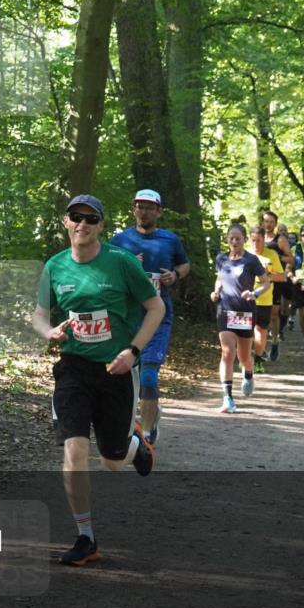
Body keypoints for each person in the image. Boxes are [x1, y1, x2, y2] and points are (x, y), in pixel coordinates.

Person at [33, 194, 164, 566]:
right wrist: (48, 332)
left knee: (112, 460)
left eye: (91, 219)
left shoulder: (120, 263)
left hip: (116, 369)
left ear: (101, 226)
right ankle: (85, 537)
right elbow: (39, 315)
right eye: (77, 217)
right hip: (73, 369)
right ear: (66, 221)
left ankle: (135, 445)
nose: (83, 225)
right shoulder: (55, 267)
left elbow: (156, 308)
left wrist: (134, 351)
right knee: (74, 452)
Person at [108, 188, 191, 446]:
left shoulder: (169, 240)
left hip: (158, 314)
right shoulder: (120, 240)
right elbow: (104, 269)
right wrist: (127, 265)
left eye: (149, 207)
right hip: (127, 316)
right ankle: (135, 416)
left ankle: (145, 433)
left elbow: (185, 264)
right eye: (139, 206)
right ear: (133, 209)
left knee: (148, 374)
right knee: (124, 373)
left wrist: (175, 275)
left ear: (158, 211)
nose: (143, 211)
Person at [211, 224, 269, 414]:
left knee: (244, 357)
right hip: (225, 310)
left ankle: (249, 373)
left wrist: (255, 293)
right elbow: (220, 278)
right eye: (231, 238)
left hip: (245, 312)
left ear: (244, 239)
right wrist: (216, 291)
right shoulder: (221, 259)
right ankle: (228, 398)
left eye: (238, 238)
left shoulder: (251, 260)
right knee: (227, 352)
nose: (234, 241)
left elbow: (266, 283)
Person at [247, 225, 284, 372]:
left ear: (264, 240)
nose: (256, 244)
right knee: (245, 331)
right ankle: (245, 358)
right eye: (253, 240)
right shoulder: (245, 254)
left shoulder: (272, 255)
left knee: (261, 331)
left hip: (265, 299)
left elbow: (281, 277)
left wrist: (267, 275)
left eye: (259, 240)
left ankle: (258, 359)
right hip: (246, 299)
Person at [262, 211, 293, 361]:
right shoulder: (257, 238)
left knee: (273, 314)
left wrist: (276, 256)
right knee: (260, 315)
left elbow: (291, 260)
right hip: (259, 280)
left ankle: (274, 342)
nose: (268, 224)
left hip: (276, 279)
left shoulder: (279, 240)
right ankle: (260, 346)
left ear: (275, 224)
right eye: (266, 221)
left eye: (271, 222)